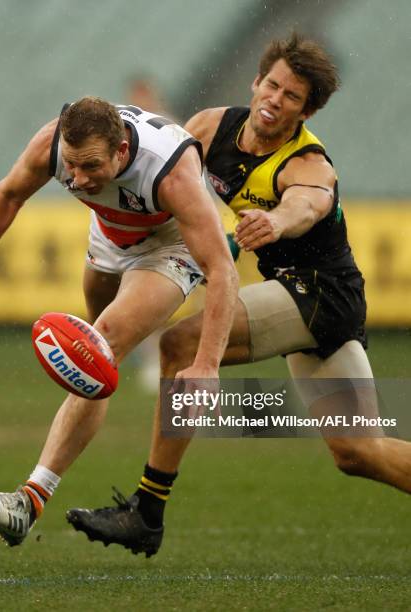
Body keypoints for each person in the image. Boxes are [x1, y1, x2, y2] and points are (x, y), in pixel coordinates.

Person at [67, 33, 411, 557]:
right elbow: (160, 166)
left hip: (322, 293)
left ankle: (147, 511)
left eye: (292, 96)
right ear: (256, 81)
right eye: (271, 85)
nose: (275, 99)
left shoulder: (308, 165)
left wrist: (275, 221)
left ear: (307, 110)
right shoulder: (210, 126)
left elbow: (308, 205)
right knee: (358, 452)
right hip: (301, 298)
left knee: (181, 345)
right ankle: (147, 512)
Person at [0, 96, 238, 547]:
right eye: (71, 166)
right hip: (109, 235)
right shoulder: (54, 144)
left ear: (122, 152)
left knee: (97, 346)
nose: (77, 180)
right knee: (95, 367)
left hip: (171, 244)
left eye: (90, 167)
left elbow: (223, 269)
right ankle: (41, 500)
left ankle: (29, 500)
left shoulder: (170, 169)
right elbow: (9, 193)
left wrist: (207, 364)